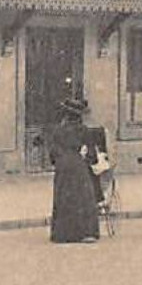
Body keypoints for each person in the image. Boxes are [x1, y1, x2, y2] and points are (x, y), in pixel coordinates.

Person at [47, 95, 100, 243]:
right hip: (78, 167)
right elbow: (92, 156)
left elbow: (52, 153)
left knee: (63, 198)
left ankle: (63, 234)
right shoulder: (84, 131)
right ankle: (85, 233)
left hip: (62, 168)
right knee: (84, 198)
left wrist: (58, 161)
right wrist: (88, 159)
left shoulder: (58, 131)